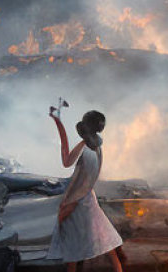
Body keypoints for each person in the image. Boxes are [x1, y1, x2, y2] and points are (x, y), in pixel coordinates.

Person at [48, 108, 123, 272]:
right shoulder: (98, 148)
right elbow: (93, 177)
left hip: (77, 201)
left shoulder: (84, 146)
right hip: (89, 198)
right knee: (105, 243)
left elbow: (66, 162)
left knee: (73, 248)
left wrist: (59, 125)